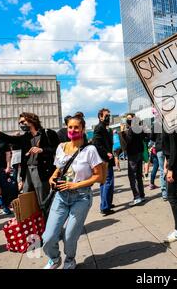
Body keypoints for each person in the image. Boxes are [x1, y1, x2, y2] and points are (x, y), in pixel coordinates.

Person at [42, 114, 104, 269]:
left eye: (76, 127)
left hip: (81, 197)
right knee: (48, 237)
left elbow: (99, 176)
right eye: (70, 127)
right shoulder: (61, 147)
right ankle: (55, 258)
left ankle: (70, 260)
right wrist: (52, 177)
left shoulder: (90, 150)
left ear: (82, 129)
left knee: (70, 236)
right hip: (61, 197)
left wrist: (75, 186)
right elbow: (59, 168)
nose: (73, 129)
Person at [0, 112, 60, 218]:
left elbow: (57, 149)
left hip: (42, 171)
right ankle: (33, 227)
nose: (21, 124)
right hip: (28, 172)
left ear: (32, 120)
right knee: (27, 200)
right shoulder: (26, 137)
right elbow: (10, 139)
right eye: (19, 123)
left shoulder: (47, 133)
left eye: (23, 121)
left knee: (43, 201)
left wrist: (42, 149)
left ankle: (49, 228)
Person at [93, 108, 115, 216]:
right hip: (104, 159)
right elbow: (96, 144)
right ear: (100, 117)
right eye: (106, 116)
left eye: (109, 116)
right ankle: (105, 207)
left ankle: (107, 204)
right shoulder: (99, 128)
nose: (108, 118)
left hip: (107, 159)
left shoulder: (106, 128)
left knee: (107, 183)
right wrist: (106, 153)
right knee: (107, 182)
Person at [0, 126, 17, 215]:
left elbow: (8, 154)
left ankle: (5, 206)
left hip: (2, 167)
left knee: (4, 186)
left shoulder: (3, 141)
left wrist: (8, 166)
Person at [124, 113, 146, 206]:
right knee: (138, 175)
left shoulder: (131, 129)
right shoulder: (139, 128)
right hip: (139, 153)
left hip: (133, 155)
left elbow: (128, 141)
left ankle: (137, 197)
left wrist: (122, 133)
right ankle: (141, 195)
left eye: (129, 118)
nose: (128, 120)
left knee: (132, 176)